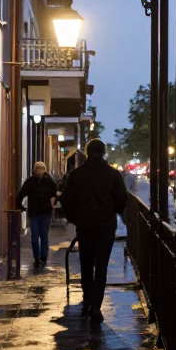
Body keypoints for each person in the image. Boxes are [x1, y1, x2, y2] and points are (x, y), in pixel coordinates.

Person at [60, 139, 128, 328]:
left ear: (88, 153)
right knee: (102, 266)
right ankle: (96, 306)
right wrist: (110, 212)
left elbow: (66, 201)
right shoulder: (113, 175)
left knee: (86, 263)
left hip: (85, 226)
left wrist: (76, 219)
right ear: (104, 152)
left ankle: (88, 298)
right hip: (106, 226)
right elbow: (122, 200)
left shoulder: (76, 175)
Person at [16, 161, 57, 268]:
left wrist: (54, 202)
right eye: (37, 169)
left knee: (43, 236)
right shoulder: (30, 182)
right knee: (35, 237)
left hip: (45, 213)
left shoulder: (49, 181)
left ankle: (43, 258)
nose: (38, 171)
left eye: (40, 169)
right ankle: (37, 258)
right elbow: (22, 193)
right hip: (34, 213)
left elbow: (55, 193)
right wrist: (21, 206)